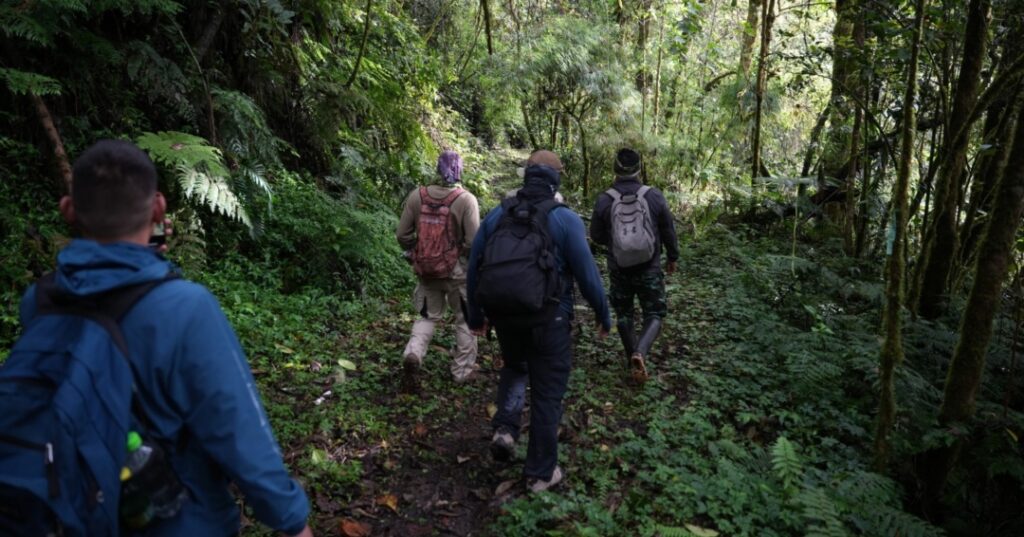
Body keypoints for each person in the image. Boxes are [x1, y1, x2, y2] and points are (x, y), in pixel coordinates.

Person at [16, 140, 313, 536]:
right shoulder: (185, 309)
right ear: (158, 208)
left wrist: (144, 254)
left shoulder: (39, 303)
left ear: (68, 210)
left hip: (76, 511)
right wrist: (292, 522)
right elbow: (238, 436)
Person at [467, 149, 611, 492]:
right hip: (550, 321)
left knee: (515, 368)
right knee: (547, 392)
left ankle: (505, 429)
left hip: (505, 318)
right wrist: (604, 315)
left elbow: (475, 267)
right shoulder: (564, 219)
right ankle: (540, 473)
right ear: (556, 180)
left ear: (527, 175)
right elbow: (588, 275)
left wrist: (476, 316)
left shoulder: (497, 215)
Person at [590, 147, 679, 383]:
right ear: (639, 169)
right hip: (649, 267)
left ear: (615, 170)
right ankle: (641, 352)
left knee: (624, 313)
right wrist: (672, 256)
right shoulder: (653, 195)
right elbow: (668, 229)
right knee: (655, 312)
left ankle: (633, 358)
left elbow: (596, 236)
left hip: (619, 269)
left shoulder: (604, 199)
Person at [396, 150, 481, 387]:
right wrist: (459, 254)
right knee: (464, 319)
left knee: (427, 315)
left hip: (426, 271)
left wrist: (418, 252)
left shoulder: (417, 196)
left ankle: (413, 353)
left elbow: (402, 234)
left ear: (437, 168)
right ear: (459, 170)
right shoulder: (466, 200)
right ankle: (461, 372)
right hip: (457, 273)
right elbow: (474, 242)